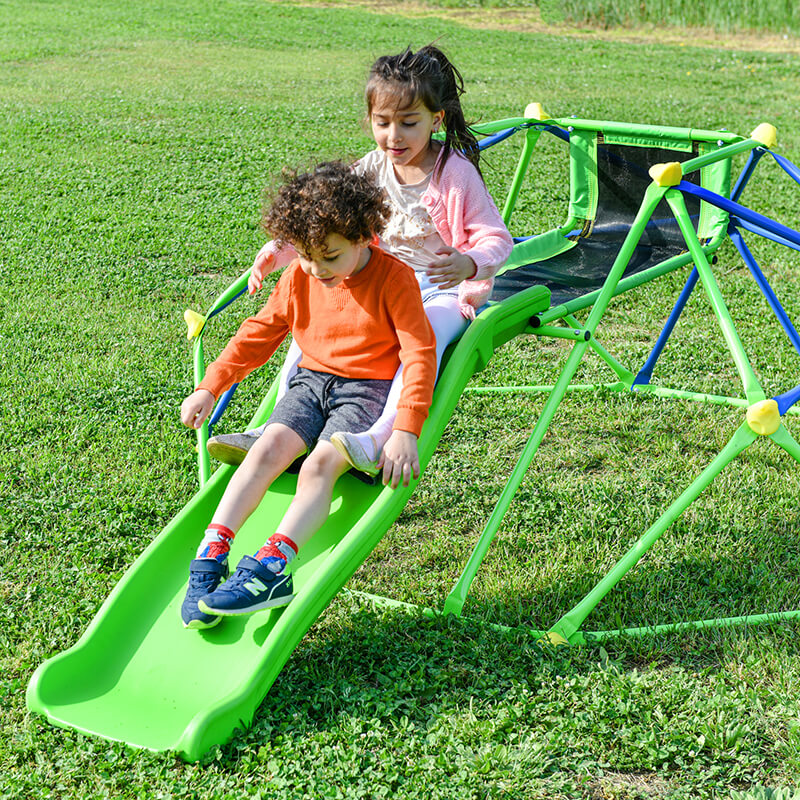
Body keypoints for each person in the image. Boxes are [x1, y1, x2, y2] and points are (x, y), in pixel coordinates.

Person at [207, 44, 513, 474]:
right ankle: (278, 425)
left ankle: (382, 436)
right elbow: (325, 222)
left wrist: (469, 263)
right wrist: (276, 250)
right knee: (309, 330)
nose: (394, 137)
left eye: (409, 124)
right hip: (380, 284)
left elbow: (497, 238)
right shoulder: (370, 169)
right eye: (382, 123)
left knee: (423, 339)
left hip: (440, 290)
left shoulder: (454, 174)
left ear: (436, 119)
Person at [179, 162, 436, 629]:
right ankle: (212, 552)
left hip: (366, 391)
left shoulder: (393, 280)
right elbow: (258, 333)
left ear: (363, 236)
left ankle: (273, 566)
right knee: (266, 449)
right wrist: (209, 385)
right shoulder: (300, 276)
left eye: (330, 256)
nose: (317, 268)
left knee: (320, 465)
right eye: (305, 255)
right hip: (310, 382)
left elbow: (419, 354)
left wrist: (405, 429)